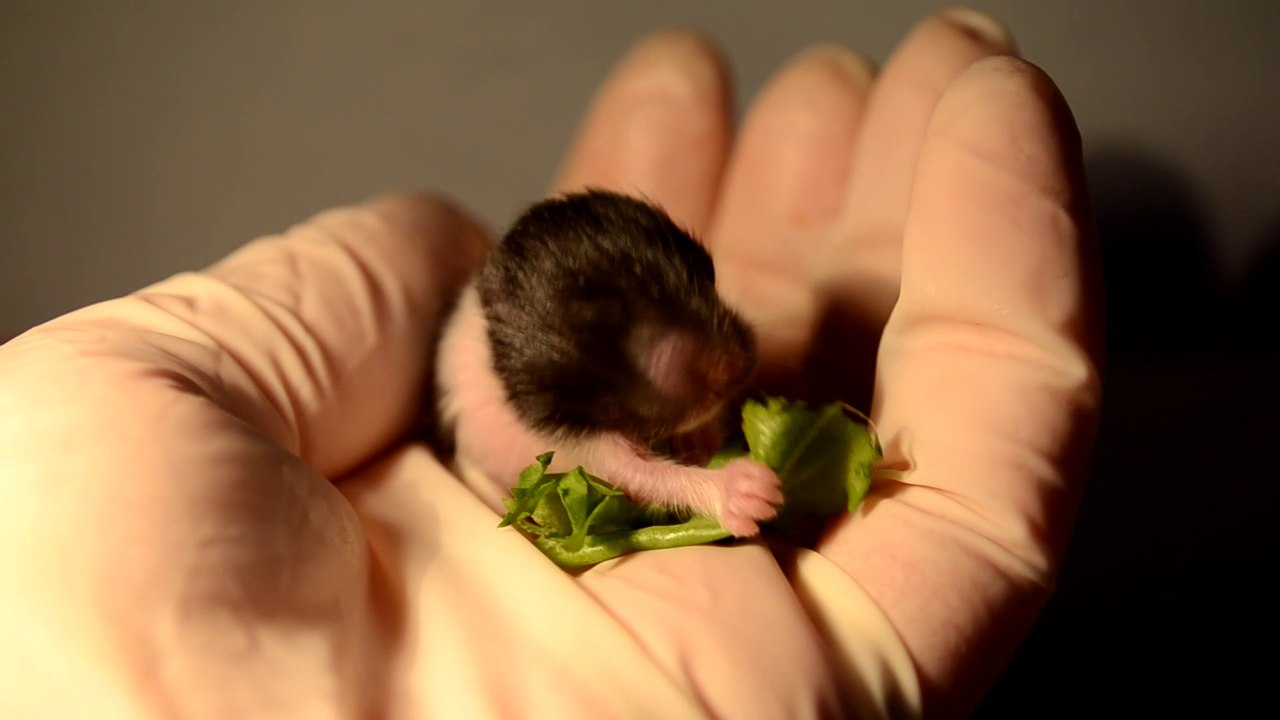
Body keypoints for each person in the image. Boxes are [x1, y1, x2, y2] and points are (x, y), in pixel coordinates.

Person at [0, 9, 1101, 718]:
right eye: (689, 368)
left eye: (707, 303)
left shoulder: (589, 322)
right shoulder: (527, 399)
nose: (731, 362)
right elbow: (607, 463)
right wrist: (710, 491)